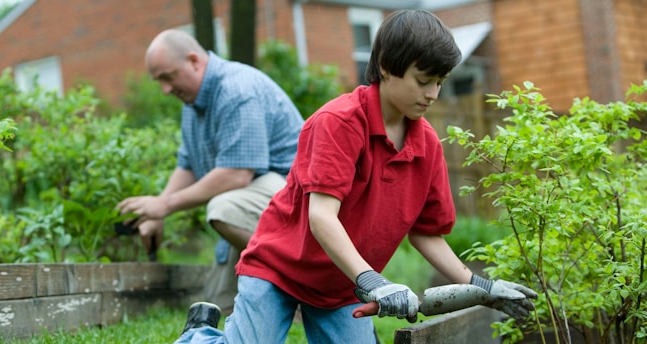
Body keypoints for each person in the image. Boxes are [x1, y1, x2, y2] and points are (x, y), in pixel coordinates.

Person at [174, 9, 538, 344]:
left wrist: (484, 288)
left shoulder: (427, 144)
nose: (433, 94)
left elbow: (426, 234)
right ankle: (199, 336)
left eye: (440, 82)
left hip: (342, 286)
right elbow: (321, 217)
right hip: (279, 271)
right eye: (423, 80)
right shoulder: (339, 123)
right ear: (385, 66)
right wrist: (375, 283)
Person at [116, 29, 305, 313]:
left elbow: (237, 174)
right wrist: (155, 211)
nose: (165, 90)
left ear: (194, 61)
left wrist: (165, 205)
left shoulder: (236, 89)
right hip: (256, 204)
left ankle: (303, 283)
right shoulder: (193, 102)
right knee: (217, 304)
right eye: (159, 82)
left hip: (298, 202)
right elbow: (188, 164)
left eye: (168, 77)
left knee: (224, 208)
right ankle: (274, 292)